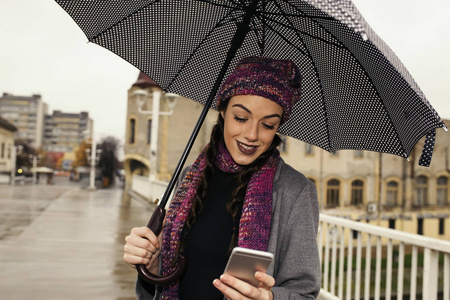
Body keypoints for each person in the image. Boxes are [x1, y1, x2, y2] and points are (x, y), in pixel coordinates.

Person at [123, 57, 321, 299]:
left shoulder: (295, 191)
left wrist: (269, 298)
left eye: (268, 125)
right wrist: (152, 266)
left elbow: (304, 293)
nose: (251, 135)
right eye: (240, 118)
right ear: (223, 111)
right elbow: (163, 279)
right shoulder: (189, 177)